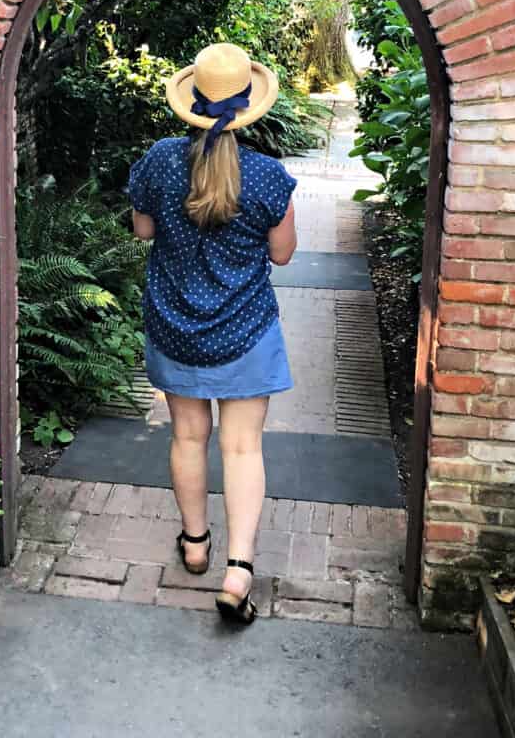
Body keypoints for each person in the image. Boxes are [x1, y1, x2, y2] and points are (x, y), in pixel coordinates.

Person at [127, 42, 297, 625]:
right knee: (243, 447)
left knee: (188, 437)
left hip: (175, 326)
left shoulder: (158, 160)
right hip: (245, 328)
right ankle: (238, 570)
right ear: (251, 107)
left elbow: (143, 231)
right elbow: (283, 257)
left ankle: (195, 546)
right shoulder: (270, 177)